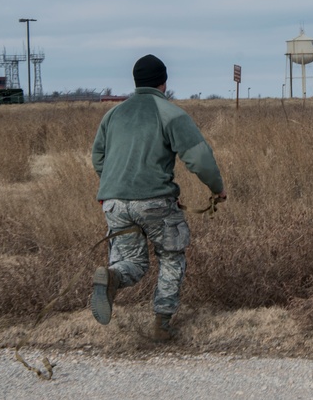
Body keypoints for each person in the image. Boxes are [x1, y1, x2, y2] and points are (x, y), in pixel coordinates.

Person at [90, 54, 226, 341]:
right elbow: (200, 158)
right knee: (172, 256)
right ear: (164, 82)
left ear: (136, 82)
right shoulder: (170, 113)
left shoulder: (113, 114)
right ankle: (162, 325)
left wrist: (115, 187)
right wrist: (216, 188)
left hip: (113, 202)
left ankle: (113, 277)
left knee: (133, 263)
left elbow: (98, 156)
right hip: (155, 202)